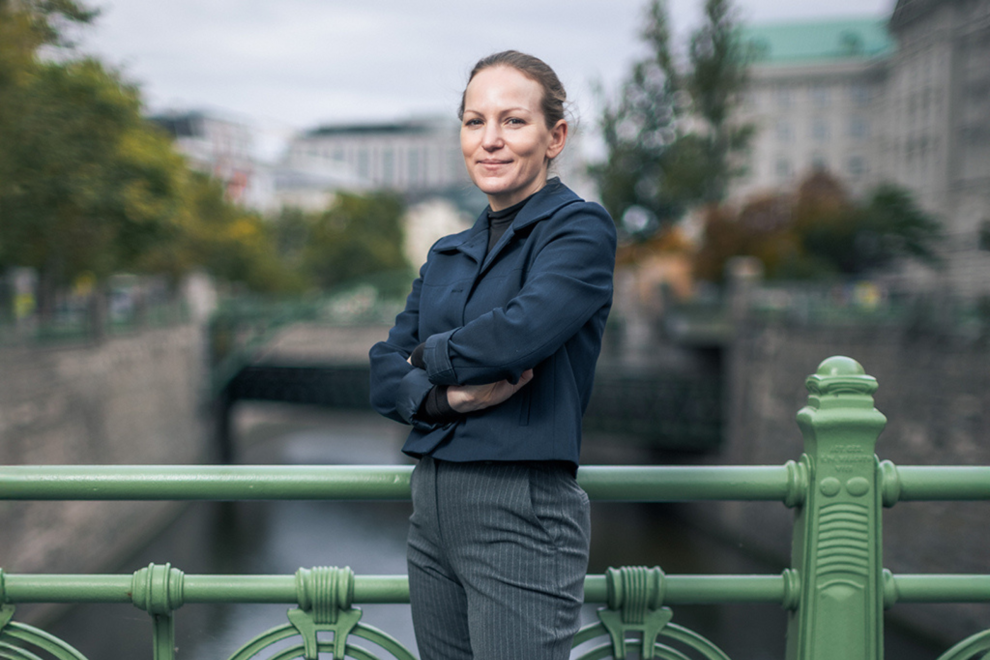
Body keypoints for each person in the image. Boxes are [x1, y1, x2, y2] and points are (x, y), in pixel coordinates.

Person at [369, 50, 617, 660]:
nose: (490, 141)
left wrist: (426, 355)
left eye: (513, 121)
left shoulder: (579, 230)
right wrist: (442, 396)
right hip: (430, 506)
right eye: (475, 122)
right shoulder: (447, 251)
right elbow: (381, 372)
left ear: (554, 136)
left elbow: (520, 335)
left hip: (520, 504)